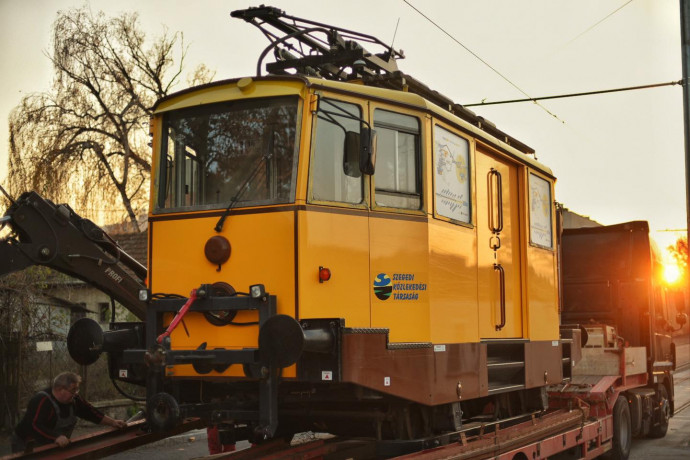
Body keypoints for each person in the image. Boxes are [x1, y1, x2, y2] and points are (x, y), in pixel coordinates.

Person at [11, 371, 128, 453]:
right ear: (60, 389)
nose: (76, 393)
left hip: (52, 444)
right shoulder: (41, 401)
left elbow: (91, 412)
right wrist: (55, 437)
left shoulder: (74, 399)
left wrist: (113, 422)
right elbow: (34, 425)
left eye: (77, 390)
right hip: (27, 444)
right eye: (73, 390)